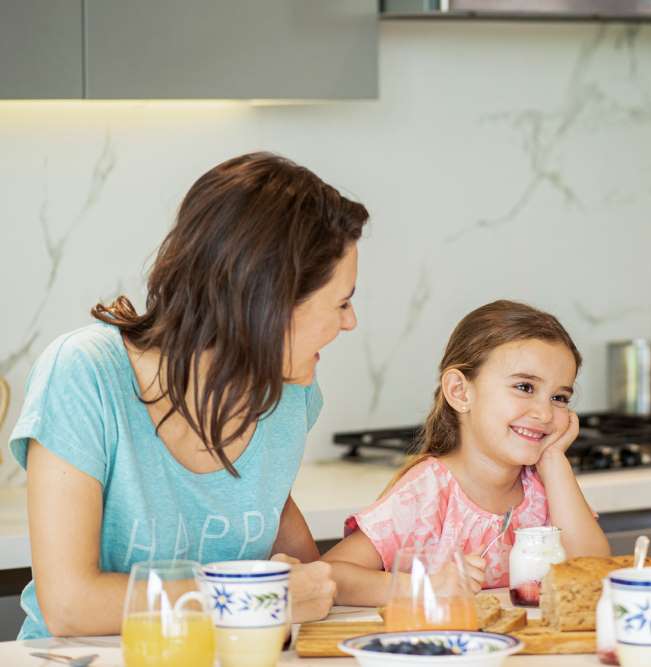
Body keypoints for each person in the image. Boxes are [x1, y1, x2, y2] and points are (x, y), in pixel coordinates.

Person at [8, 152, 366, 638]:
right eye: (341, 302)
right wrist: (256, 596)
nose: (350, 321)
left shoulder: (286, 395)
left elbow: (305, 580)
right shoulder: (85, 373)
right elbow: (70, 605)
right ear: (269, 303)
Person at [323, 300, 610, 606]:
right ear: (460, 392)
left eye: (559, 397)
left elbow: (593, 573)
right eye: (525, 387)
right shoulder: (425, 495)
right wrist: (425, 588)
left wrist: (554, 462)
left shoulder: (546, 488)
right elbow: (331, 575)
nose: (544, 413)